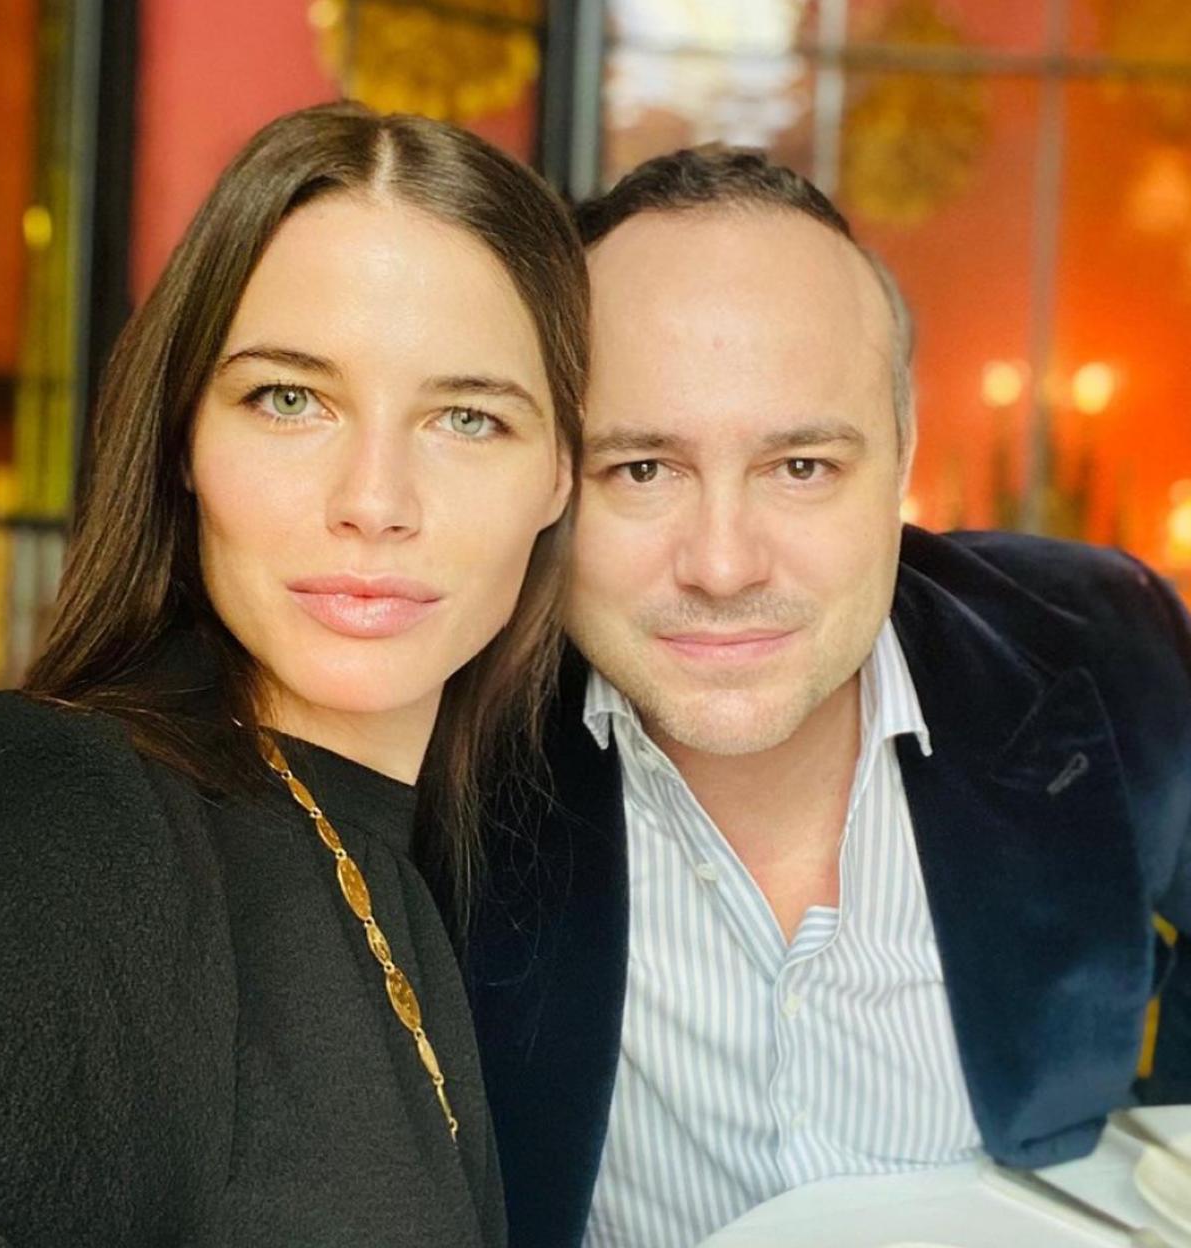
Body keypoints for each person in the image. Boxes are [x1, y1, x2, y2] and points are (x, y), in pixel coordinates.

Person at [464, 146, 1191, 1248]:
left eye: (800, 466)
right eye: (642, 470)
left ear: (903, 459)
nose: (722, 565)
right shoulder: (445, 721)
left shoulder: (1098, 644)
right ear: (554, 482)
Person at [0, 101, 587, 1248]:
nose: (375, 501)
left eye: (468, 418)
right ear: (183, 437)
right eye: (290, 399)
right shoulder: (63, 803)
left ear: (559, 479)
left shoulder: (423, 872)